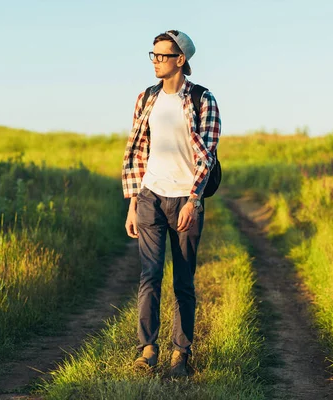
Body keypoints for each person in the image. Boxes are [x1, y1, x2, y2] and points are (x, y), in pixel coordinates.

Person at [121, 30, 221, 377]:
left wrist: (194, 200)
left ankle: (181, 354)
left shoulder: (202, 99)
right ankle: (147, 349)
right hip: (150, 195)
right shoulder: (146, 98)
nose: (155, 62)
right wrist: (133, 202)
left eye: (162, 56)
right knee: (149, 274)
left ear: (180, 60)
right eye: (153, 55)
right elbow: (136, 151)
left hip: (185, 199)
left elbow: (206, 155)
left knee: (183, 280)